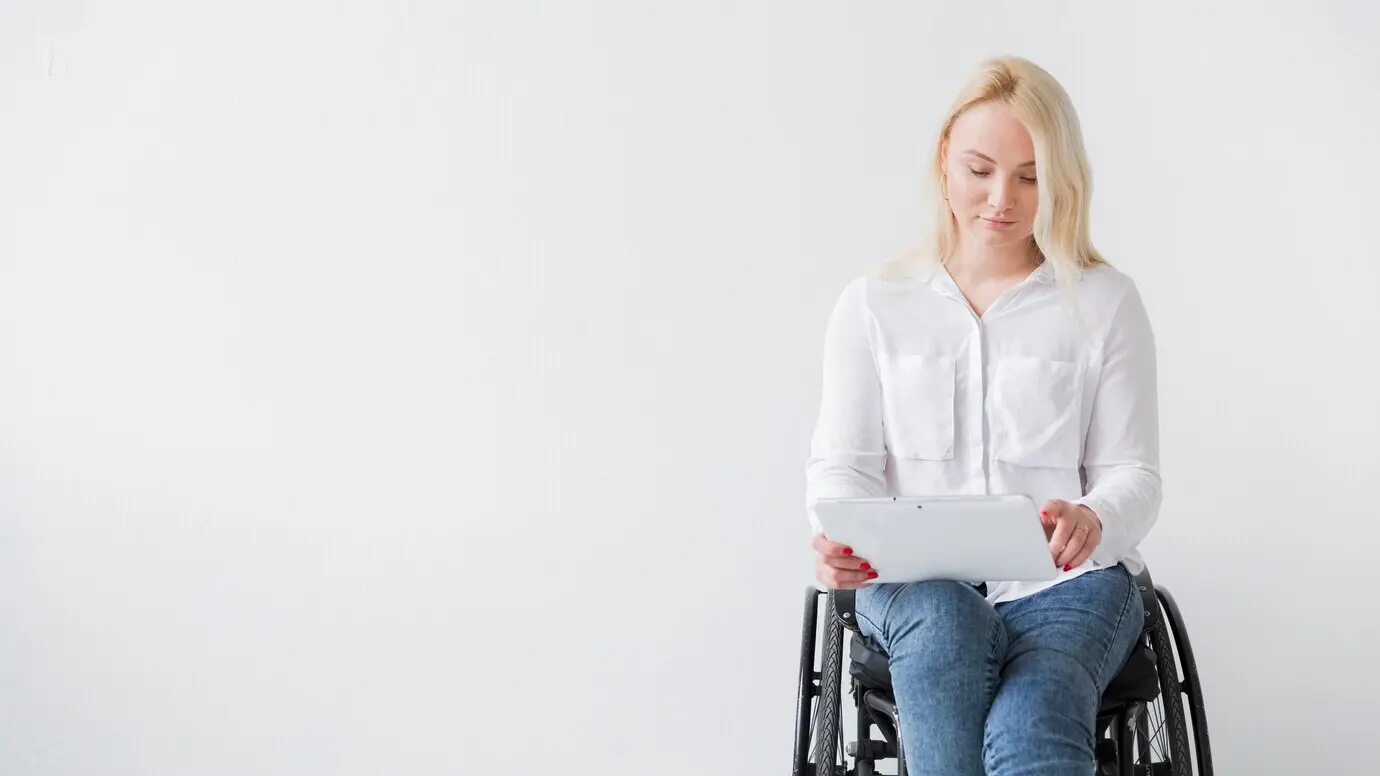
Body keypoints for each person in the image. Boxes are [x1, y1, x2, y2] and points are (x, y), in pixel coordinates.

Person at [804, 56, 1160, 775]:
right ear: (944, 161)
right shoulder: (874, 304)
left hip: (1069, 586)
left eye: (1030, 177)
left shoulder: (1104, 303)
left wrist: (1094, 517)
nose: (1002, 198)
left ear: (1060, 182)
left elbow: (1134, 474)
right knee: (945, 622)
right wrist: (838, 533)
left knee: (1033, 719)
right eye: (981, 170)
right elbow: (842, 468)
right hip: (916, 587)